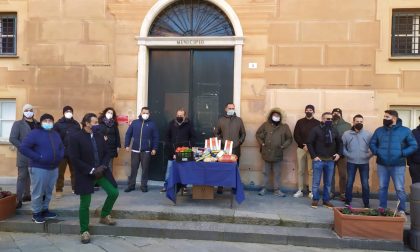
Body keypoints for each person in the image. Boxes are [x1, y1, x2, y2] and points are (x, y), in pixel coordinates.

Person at [69, 113, 119, 244]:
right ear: (87, 123)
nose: (98, 124)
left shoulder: (99, 136)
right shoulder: (76, 138)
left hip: (101, 171)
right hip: (86, 174)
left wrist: (102, 166)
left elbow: (108, 152)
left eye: (97, 122)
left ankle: (104, 215)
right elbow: (74, 158)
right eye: (95, 122)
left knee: (114, 192)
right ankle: (84, 230)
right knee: (85, 203)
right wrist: (91, 170)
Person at [369, 110, 417, 219]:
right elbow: (372, 143)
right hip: (382, 164)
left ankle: (401, 210)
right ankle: (382, 208)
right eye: (384, 116)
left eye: (387, 116)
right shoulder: (379, 130)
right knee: (382, 187)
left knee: (400, 188)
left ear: (394, 118)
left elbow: (413, 145)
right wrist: (377, 152)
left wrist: (402, 153)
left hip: (398, 165)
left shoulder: (405, 131)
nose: (384, 118)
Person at [20, 113, 64, 223]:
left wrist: (60, 156)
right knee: (38, 192)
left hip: (53, 167)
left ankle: (45, 210)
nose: (48, 122)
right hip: (39, 167)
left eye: (50, 120)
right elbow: (24, 148)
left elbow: (61, 147)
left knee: (48, 191)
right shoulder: (34, 133)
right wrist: (38, 157)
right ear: (41, 122)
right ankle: (36, 213)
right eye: (46, 120)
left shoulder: (55, 134)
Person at [307, 112, 342, 209]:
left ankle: (326, 201)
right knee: (316, 182)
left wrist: (339, 154)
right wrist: (314, 156)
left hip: (330, 160)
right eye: (327, 119)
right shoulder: (316, 130)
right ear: (322, 119)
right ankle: (315, 199)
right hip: (319, 160)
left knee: (328, 183)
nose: (329, 121)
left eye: (330, 119)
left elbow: (340, 142)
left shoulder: (334, 130)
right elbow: (309, 143)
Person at [256, 108, 292, 197]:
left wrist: (283, 146)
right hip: (266, 153)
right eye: (274, 115)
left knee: (277, 173)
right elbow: (257, 134)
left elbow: (290, 138)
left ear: (280, 117)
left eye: (278, 116)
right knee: (265, 172)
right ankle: (264, 188)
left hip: (278, 153)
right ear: (271, 116)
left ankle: (277, 190)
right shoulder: (265, 125)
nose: (276, 117)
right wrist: (262, 143)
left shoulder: (284, 127)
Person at [9, 104, 39, 209]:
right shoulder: (18, 124)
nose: (29, 111)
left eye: (30, 110)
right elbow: (12, 138)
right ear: (23, 111)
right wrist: (23, 146)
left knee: (33, 177)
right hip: (23, 155)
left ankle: (28, 194)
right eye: (26, 110)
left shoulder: (37, 123)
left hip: (35, 155)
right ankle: (19, 199)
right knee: (22, 176)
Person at [124, 107, 159, 193]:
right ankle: (131, 185)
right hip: (135, 150)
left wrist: (154, 148)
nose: (145, 114)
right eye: (144, 112)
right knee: (133, 169)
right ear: (140, 113)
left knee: (145, 169)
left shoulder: (152, 124)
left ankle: (144, 186)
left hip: (146, 151)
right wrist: (127, 145)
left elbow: (156, 137)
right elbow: (128, 134)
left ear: (149, 114)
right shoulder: (135, 123)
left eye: (147, 113)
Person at [161, 108, 195, 193]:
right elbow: (166, 137)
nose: (179, 116)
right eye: (178, 115)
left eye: (181, 115)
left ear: (184, 116)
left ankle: (184, 187)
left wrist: (188, 147)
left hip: (184, 152)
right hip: (172, 152)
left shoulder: (189, 125)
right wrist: (171, 149)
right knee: (169, 170)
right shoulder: (171, 124)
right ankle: (167, 185)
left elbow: (193, 137)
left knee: (184, 170)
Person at [215, 102, 246, 194]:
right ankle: (220, 187)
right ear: (226, 109)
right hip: (223, 149)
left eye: (233, 108)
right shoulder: (221, 120)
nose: (231, 110)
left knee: (234, 169)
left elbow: (243, 134)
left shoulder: (239, 120)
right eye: (230, 108)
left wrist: (239, 142)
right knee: (221, 169)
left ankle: (234, 187)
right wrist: (222, 141)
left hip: (235, 149)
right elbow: (216, 133)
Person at [342, 114, 372, 208]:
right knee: (350, 182)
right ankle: (348, 201)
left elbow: (373, 147)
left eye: (361, 122)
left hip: (364, 163)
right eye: (357, 121)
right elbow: (342, 146)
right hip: (351, 162)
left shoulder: (368, 134)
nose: (359, 123)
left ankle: (366, 203)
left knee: (365, 183)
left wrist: (368, 155)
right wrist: (348, 155)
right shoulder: (347, 134)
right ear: (353, 122)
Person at [292, 104, 320, 198]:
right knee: (300, 170)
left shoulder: (317, 123)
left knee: (311, 170)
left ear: (314, 111)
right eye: (307, 110)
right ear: (305, 111)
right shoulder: (300, 122)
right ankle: (300, 190)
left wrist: (310, 146)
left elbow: (318, 136)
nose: (309, 111)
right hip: (301, 149)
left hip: (312, 150)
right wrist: (302, 145)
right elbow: (296, 135)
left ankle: (311, 191)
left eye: (311, 110)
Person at [54, 105, 81, 198]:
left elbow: (79, 138)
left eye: (70, 111)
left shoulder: (76, 124)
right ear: (63, 113)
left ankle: (75, 188)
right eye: (67, 111)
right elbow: (55, 139)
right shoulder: (58, 124)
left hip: (73, 152)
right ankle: (58, 189)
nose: (69, 113)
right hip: (62, 152)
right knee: (60, 172)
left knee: (75, 172)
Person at [331, 108, 351, 200]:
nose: (336, 114)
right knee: (330, 174)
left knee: (343, 174)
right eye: (334, 112)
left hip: (342, 154)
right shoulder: (329, 124)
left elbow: (350, 140)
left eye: (338, 113)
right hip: (330, 153)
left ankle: (342, 193)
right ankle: (331, 192)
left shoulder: (347, 125)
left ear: (341, 114)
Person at [98, 107, 121, 172]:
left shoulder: (114, 124)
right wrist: (102, 137)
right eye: (108, 112)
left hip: (111, 147)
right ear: (105, 113)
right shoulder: (99, 122)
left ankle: (109, 181)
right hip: (101, 147)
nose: (110, 114)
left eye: (111, 113)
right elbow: (95, 133)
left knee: (110, 166)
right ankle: (101, 180)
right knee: (101, 165)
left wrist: (118, 146)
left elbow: (117, 135)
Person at [408, 116, 420, 184]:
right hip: (415, 165)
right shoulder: (413, 132)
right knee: (416, 187)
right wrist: (410, 164)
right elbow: (408, 147)